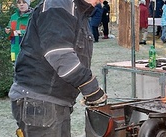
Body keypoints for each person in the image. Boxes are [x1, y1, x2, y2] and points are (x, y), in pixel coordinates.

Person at [8, 0, 107, 136]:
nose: (102, 1)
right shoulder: (58, 5)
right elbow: (60, 55)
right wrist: (90, 87)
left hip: (52, 103)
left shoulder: (77, 11)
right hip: (40, 102)